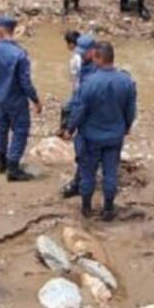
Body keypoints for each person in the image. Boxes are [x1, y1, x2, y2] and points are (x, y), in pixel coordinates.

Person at [68, 41, 137, 220]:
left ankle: (86, 208)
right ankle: (108, 209)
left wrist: (70, 128)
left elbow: (79, 111)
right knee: (110, 172)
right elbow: (130, 110)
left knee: (87, 173)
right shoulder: (126, 81)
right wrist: (127, 126)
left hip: (90, 136)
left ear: (97, 57)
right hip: (114, 135)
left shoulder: (89, 83)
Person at [0, 15, 43, 180]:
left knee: (1, 129)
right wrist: (35, 100)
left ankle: (2, 163)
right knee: (20, 130)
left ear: (0, 30)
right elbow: (25, 82)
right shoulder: (19, 54)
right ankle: (13, 167)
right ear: (13, 30)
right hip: (16, 99)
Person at [60, 33, 97, 198]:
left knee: (84, 157)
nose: (80, 54)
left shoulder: (88, 76)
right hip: (108, 124)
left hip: (90, 123)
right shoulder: (106, 70)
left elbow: (80, 104)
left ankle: (81, 190)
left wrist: (70, 128)